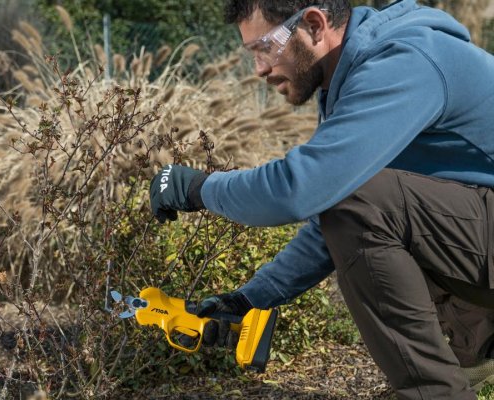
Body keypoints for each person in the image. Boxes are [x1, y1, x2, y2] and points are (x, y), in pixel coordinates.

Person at [148, 0, 494, 398]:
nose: (259, 68)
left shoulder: (403, 63)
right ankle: (477, 349)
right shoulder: (355, 78)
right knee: (360, 202)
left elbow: (300, 190)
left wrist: (198, 189)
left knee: (360, 201)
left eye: (265, 47)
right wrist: (251, 298)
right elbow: (336, 212)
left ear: (314, 25)